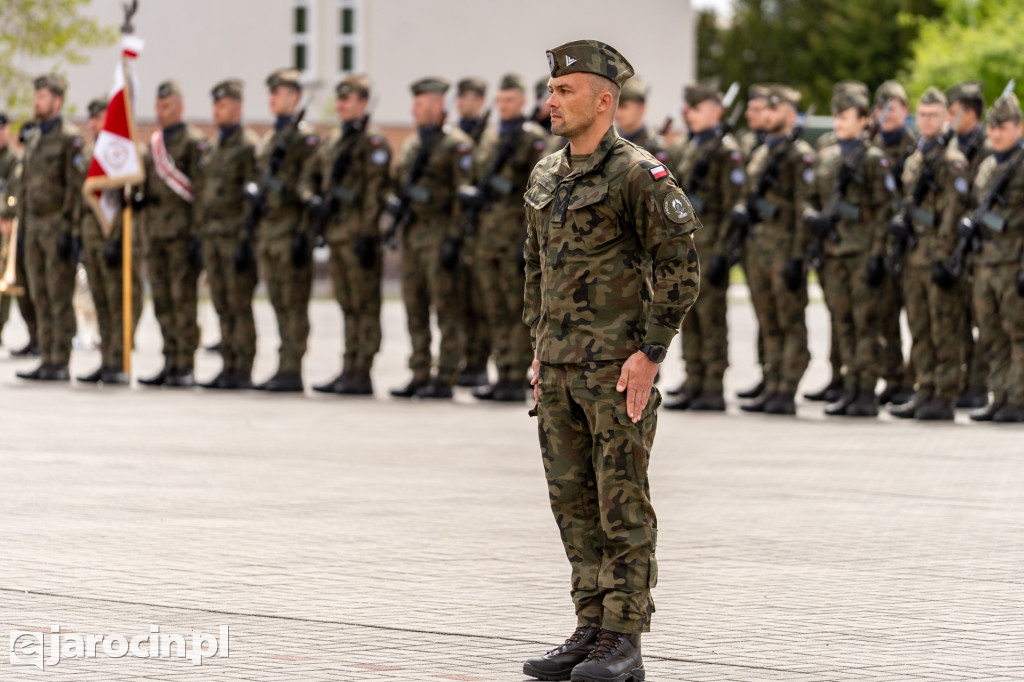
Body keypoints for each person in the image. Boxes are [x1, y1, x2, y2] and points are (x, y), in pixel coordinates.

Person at [521, 40, 698, 682]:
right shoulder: (547, 175)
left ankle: (624, 639)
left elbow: (681, 271)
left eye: (564, 92)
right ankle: (591, 625)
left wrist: (651, 354)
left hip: (615, 372)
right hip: (560, 367)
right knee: (573, 502)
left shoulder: (637, 175)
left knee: (621, 502)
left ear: (604, 100)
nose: (551, 102)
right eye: (550, 91)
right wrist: (537, 351)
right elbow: (535, 269)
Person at [803, 85, 892, 417]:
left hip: (861, 252)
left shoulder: (872, 158)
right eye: (837, 116)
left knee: (865, 322)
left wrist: (878, 255)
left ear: (864, 120)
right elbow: (810, 196)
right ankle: (849, 386)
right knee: (842, 323)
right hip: (832, 252)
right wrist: (811, 216)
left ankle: (866, 390)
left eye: (846, 116)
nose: (839, 122)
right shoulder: (826, 156)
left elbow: (885, 211)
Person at [301, 74, 391, 395]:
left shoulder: (372, 141)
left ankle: (361, 370)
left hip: (358, 237)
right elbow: (311, 175)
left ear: (363, 103)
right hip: (337, 234)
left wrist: (368, 234)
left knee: (365, 304)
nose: (340, 105)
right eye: (338, 99)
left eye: (347, 99)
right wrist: (312, 198)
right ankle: (348, 366)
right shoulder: (334, 139)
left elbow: (374, 192)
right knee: (346, 304)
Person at [388, 77, 473, 400]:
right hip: (413, 236)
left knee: (447, 309)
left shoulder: (456, 145)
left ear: (438, 106)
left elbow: (462, 196)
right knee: (414, 307)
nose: (414, 110)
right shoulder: (411, 144)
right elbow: (397, 182)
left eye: (421, 104)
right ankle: (420, 371)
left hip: (439, 236)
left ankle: (446, 375)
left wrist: (454, 239)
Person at [464, 73, 547, 402]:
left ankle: (517, 375)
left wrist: (526, 240)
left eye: (510, 100)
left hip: (515, 234)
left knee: (517, 307)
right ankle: (502, 372)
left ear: (523, 102)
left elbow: (537, 192)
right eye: (500, 101)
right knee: (493, 306)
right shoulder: (488, 137)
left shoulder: (533, 140)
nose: (504, 106)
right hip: (486, 236)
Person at [663, 77, 744, 412]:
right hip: (685, 246)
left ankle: (712, 384)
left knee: (711, 317)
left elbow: (733, 208)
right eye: (688, 108)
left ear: (716, 110)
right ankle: (693, 377)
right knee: (687, 316)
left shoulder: (727, 151)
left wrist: (724, 253)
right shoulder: (692, 146)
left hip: (710, 246)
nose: (689, 113)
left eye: (696, 108)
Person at [888, 87, 969, 421]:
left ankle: (945, 393)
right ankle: (924, 388)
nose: (927, 120)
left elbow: (952, 214)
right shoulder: (915, 158)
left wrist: (944, 257)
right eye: (922, 115)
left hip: (937, 258)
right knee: (919, 327)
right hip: (914, 257)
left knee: (943, 328)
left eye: (934, 115)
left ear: (946, 118)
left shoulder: (953, 161)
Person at [736, 85, 815, 415]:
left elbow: (804, 209)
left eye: (776, 109)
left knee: (789, 320)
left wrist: (799, 256)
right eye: (765, 109)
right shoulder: (762, 152)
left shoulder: (800, 156)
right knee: (767, 320)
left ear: (791, 114)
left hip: (784, 250)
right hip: (758, 248)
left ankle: (787, 387)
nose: (768, 114)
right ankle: (772, 381)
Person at [252, 68, 320, 392]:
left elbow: (310, 188)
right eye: (271, 93)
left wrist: (304, 235)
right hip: (269, 231)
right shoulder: (270, 139)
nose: (272, 99)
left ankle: (293, 367)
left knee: (294, 303)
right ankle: (283, 364)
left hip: (291, 230)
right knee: (278, 301)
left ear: (294, 97)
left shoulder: (304, 139)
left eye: (278, 93)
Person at [137, 80, 206, 387]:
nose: (160, 112)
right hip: (155, 233)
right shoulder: (154, 144)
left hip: (181, 234)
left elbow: (200, 193)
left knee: (183, 300)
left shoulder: (193, 142)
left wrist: (196, 235)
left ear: (180, 107)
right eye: (157, 107)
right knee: (162, 300)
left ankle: (185, 364)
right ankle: (169, 359)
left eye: (166, 107)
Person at [15, 74, 83, 382]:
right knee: (38, 294)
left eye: (42, 97)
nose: (36, 102)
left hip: (57, 228)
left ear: (57, 101)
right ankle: (46, 355)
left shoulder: (69, 138)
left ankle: (60, 359)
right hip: (33, 228)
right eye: (36, 96)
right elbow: (26, 186)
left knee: (58, 296)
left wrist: (71, 231)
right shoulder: (35, 137)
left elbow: (74, 187)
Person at [196, 79, 260, 390]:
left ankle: (243, 367)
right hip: (212, 236)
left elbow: (252, 198)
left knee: (238, 304)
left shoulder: (248, 146)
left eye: (222, 106)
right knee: (221, 302)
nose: (216, 112)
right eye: (215, 105)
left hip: (235, 237)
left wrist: (247, 241)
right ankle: (228, 363)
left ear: (237, 107)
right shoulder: (213, 145)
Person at [966, 92, 1024, 422]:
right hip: (986, 263)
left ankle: (1018, 399)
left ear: (1019, 127)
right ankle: (999, 395)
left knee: (1019, 334)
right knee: (991, 334)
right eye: (992, 128)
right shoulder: (988, 165)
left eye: (1003, 127)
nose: (996, 133)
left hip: (1013, 263)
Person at [76, 97, 142, 385]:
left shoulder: (124, 153)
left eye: (100, 117)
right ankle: (106, 360)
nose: (94, 124)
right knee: (100, 302)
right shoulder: (91, 153)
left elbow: (127, 202)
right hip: (91, 237)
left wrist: (118, 239)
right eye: (91, 118)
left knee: (119, 303)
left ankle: (119, 361)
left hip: (114, 238)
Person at [947, 81, 993, 410]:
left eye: (953, 112)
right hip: (952, 243)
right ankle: (963, 380)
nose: (949, 118)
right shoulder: (952, 145)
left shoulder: (988, 149)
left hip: (981, 245)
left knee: (983, 319)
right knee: (957, 317)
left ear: (970, 112)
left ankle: (979, 384)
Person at [870, 80, 917, 406]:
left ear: (906, 111)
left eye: (894, 107)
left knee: (917, 318)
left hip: (911, 244)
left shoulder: (916, 148)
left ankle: (915, 381)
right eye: (881, 108)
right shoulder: (869, 147)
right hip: (877, 244)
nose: (887, 114)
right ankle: (894, 378)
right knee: (885, 317)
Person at [454, 76, 492, 387]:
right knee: (462, 298)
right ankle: (466, 358)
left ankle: (479, 361)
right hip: (460, 227)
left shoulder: (487, 136)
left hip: (484, 228)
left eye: (470, 97)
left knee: (482, 300)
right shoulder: (456, 134)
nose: (463, 102)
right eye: (461, 97)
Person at [614, 75, 674, 167]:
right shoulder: (611, 142)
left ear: (641, 108)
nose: (618, 112)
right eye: (616, 106)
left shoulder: (656, 148)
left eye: (624, 106)